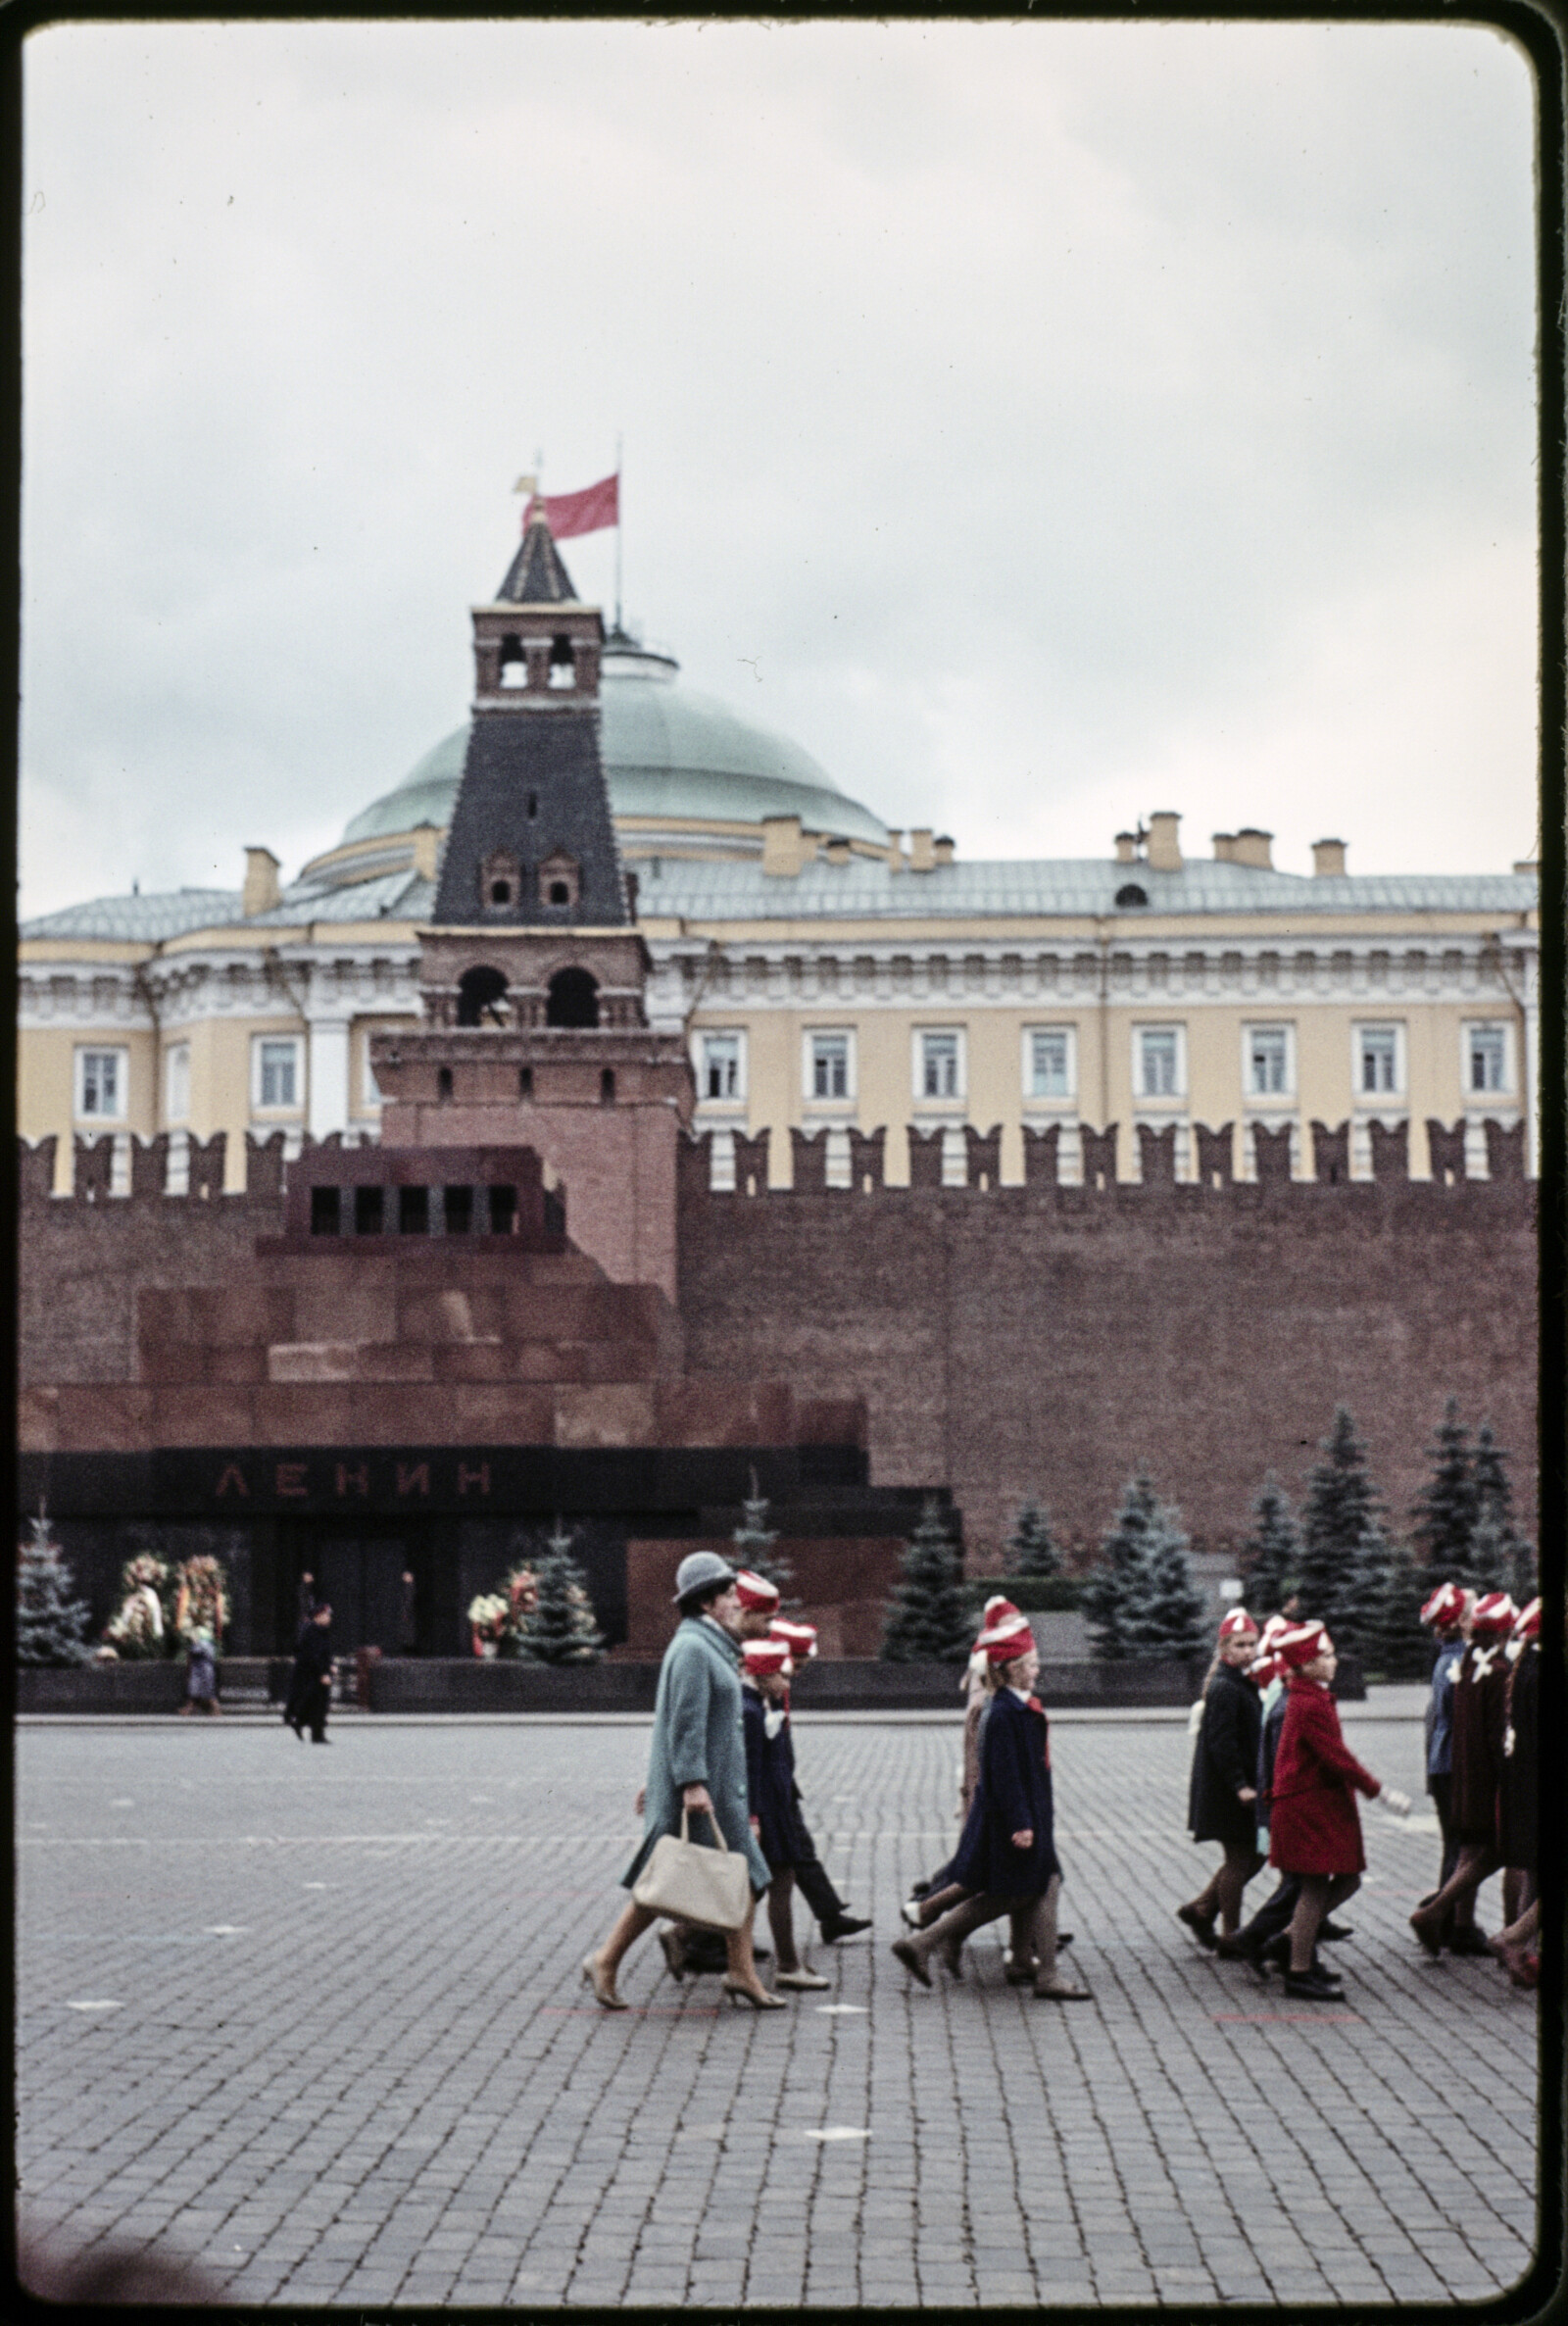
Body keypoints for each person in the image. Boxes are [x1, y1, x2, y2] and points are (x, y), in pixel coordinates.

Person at [583, 1552, 780, 2012]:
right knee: (692, 1882)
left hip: (714, 1791)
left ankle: (738, 1970)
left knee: (709, 1880)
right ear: (709, 1603)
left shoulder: (706, 1644)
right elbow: (684, 1722)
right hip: (705, 1794)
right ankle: (609, 1960)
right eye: (729, 1594)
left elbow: (675, 1719)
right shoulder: (694, 1648)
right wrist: (689, 1782)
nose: (736, 1601)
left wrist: (661, 1777)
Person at [892, 1624, 1089, 2002]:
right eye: (1030, 1665)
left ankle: (927, 1943)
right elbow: (1004, 1774)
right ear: (1008, 1667)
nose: (1037, 1671)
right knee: (1029, 1889)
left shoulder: (1012, 1706)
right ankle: (1043, 1974)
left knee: (1022, 1891)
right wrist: (1021, 1823)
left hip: (1027, 1818)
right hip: (1017, 1822)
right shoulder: (1002, 1713)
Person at [1268, 1620, 1411, 2001]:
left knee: (1346, 1879)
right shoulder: (1308, 1702)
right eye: (1325, 1656)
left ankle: (1289, 1941)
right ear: (1306, 1664)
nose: (1333, 1662)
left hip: (1318, 1804)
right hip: (1309, 1806)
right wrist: (1379, 1792)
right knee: (1316, 1886)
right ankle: (1297, 1970)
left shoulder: (1310, 1696)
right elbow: (1338, 1759)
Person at [1409, 1590, 1516, 1955]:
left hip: (1455, 1766)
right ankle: (1442, 1919)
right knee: (1470, 1851)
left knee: (1465, 1850)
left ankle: (1457, 1923)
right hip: (1464, 1769)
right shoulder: (1472, 1666)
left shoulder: (1462, 1660)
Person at [737, 1637, 829, 1989]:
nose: (787, 1685)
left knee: (765, 1885)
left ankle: (776, 1963)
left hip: (774, 1807)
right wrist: (754, 1819)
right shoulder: (750, 1711)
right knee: (779, 1883)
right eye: (782, 1677)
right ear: (763, 1675)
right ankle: (788, 1965)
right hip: (767, 1812)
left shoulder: (761, 1704)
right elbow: (749, 1772)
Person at [1177, 1608, 1263, 1947]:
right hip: (1229, 1790)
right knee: (1241, 1860)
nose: (1248, 1651)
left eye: (1253, 1644)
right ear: (1225, 1649)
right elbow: (1222, 1742)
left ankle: (1201, 1909)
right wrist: (1240, 1785)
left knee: (1252, 1856)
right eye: (1240, 1645)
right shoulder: (1227, 1687)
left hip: (1237, 1786)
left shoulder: (1239, 1681)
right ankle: (1231, 1934)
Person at [1415, 1581, 1472, 1942]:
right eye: (1472, 1610)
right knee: (1461, 1847)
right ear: (1462, 1623)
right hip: (1453, 1767)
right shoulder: (1457, 1663)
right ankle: (1437, 1919)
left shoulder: (1450, 1656)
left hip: (1443, 1765)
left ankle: (1448, 1921)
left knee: (1458, 1846)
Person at [1491, 1596, 1540, 1987]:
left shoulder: (1527, 1667)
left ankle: (1524, 1956)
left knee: (1537, 1875)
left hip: (1528, 1786)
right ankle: (1515, 1938)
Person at [283, 1600, 335, 1743]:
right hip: (311, 1674)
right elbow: (313, 1655)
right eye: (326, 1615)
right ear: (318, 1616)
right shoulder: (311, 1632)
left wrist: (330, 1665)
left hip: (316, 1673)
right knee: (316, 1704)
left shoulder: (321, 1631)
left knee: (316, 1704)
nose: (329, 1618)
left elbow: (325, 1653)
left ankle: (304, 1726)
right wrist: (323, 1673)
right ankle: (315, 1734)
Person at [179, 1622, 220, 1716]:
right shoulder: (209, 1645)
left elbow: (194, 1653)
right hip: (202, 1669)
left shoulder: (202, 1644)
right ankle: (188, 1710)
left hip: (202, 1670)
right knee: (195, 1692)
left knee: (205, 1693)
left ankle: (216, 1710)